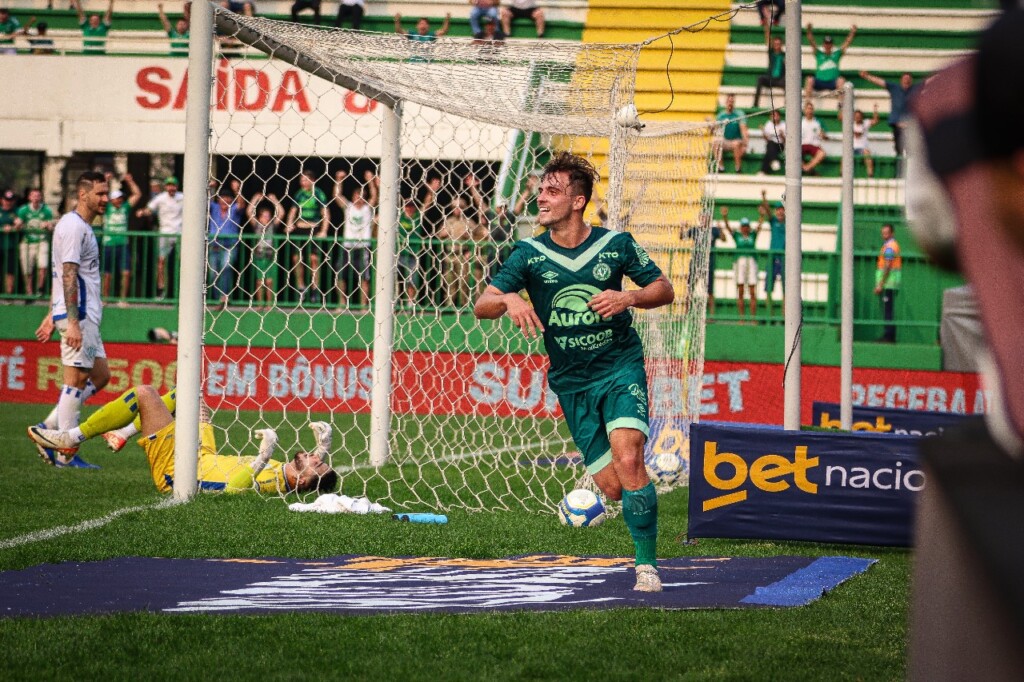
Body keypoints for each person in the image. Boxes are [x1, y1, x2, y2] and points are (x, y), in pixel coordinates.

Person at [474, 152, 674, 592]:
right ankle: (638, 496)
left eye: (552, 191)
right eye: (541, 190)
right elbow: (481, 305)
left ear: (578, 201)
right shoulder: (528, 253)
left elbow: (664, 289)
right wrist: (509, 299)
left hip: (619, 366)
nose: (541, 199)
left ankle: (646, 566)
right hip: (572, 382)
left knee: (629, 458)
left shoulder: (616, 244)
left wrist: (628, 299)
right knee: (615, 487)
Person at [28, 385, 339, 495]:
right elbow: (312, 472)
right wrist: (323, 446)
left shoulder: (274, 483)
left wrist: (261, 456)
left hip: (179, 472)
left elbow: (234, 490)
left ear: (301, 482)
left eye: (315, 464)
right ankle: (122, 433)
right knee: (189, 392)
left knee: (145, 394)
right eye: (318, 459)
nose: (313, 458)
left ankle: (71, 437)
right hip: (203, 454)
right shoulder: (289, 473)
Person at [28, 171, 112, 469]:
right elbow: (67, 273)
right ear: (83, 194)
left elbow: (62, 273)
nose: (106, 199)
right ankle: (64, 453)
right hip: (80, 316)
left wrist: (53, 314)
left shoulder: (79, 226)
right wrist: (71, 321)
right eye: (100, 194)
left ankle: (49, 429)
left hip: (82, 314)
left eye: (107, 193)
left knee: (101, 376)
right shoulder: (75, 227)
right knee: (74, 381)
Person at [333, 170, 378, 308]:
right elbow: (337, 196)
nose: (360, 198)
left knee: (365, 277)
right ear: (353, 197)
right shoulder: (349, 207)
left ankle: (364, 305)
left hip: (363, 247)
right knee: (340, 275)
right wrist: (338, 179)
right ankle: (341, 303)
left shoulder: (367, 209)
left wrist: (370, 181)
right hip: (348, 246)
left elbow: (374, 196)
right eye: (357, 195)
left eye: (362, 196)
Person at [137, 175, 184, 300]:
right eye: (169, 185)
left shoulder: (183, 197)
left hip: (180, 234)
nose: (171, 188)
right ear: (166, 187)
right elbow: (149, 209)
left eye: (173, 185)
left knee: (182, 263)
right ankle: (161, 290)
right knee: (161, 262)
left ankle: (180, 291)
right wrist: (142, 212)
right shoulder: (160, 198)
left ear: (176, 186)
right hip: (164, 233)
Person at [286, 169, 329, 304]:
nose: (303, 182)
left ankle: (314, 289)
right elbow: (293, 211)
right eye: (301, 180)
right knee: (296, 258)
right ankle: (301, 288)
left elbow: (325, 213)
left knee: (313, 259)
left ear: (312, 180)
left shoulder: (318, 193)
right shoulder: (299, 194)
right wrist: (289, 225)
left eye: (305, 180)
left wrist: (323, 231)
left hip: (313, 229)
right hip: (300, 228)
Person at [859, 70, 921, 160]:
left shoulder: (915, 89)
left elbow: (928, 82)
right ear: (901, 80)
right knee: (899, 149)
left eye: (908, 79)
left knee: (911, 150)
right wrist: (867, 76)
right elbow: (880, 82)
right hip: (897, 124)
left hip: (910, 125)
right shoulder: (894, 88)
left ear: (911, 80)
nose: (906, 81)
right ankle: (898, 171)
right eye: (905, 79)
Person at [438, 196, 486, 308]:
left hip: (462, 255)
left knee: (463, 282)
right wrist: (444, 233)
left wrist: (469, 240)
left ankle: (463, 306)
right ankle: (449, 306)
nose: (457, 210)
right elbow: (439, 234)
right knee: (449, 282)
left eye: (460, 207)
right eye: (455, 207)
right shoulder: (448, 221)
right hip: (450, 255)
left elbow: (479, 235)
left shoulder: (468, 222)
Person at [101, 173, 142, 305]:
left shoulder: (125, 208)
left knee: (126, 272)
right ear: (111, 200)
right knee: (107, 274)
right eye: (116, 198)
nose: (119, 200)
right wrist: (105, 180)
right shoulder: (106, 208)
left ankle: (123, 299)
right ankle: (105, 298)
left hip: (123, 244)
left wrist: (130, 181)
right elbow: (101, 195)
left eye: (120, 198)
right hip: (108, 243)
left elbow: (137, 194)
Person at [720, 206, 762, 322]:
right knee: (741, 290)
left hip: (751, 262)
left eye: (746, 226)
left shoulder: (753, 235)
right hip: (739, 262)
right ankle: (741, 318)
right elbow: (728, 229)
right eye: (743, 226)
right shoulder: (737, 235)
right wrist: (725, 216)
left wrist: (761, 216)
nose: (745, 228)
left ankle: (753, 318)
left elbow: (759, 227)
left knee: (752, 290)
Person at [208, 186, 244, 310]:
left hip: (229, 245)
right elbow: (207, 201)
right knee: (213, 272)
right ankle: (218, 298)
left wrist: (237, 190)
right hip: (215, 246)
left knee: (226, 267)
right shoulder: (214, 208)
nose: (225, 201)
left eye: (228, 198)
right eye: (222, 198)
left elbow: (241, 205)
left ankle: (224, 297)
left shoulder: (234, 209)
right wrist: (212, 189)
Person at [14, 188, 55, 298]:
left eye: (38, 195)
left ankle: (40, 289)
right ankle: (29, 291)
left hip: (42, 241)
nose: (36, 198)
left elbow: (51, 225)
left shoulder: (46, 210)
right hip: (27, 242)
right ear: (29, 197)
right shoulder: (23, 210)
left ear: (41, 197)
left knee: (43, 265)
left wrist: (48, 225)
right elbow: (18, 223)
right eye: (33, 195)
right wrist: (18, 224)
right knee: (27, 268)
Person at [245, 192, 283, 311]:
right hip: (259, 256)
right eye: (264, 216)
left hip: (270, 256)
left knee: (270, 281)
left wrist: (275, 200)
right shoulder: (256, 225)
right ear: (260, 217)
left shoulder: (272, 226)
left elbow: (281, 213)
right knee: (260, 281)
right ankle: (260, 304)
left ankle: (269, 304)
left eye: (268, 216)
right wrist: (255, 198)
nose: (266, 218)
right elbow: (249, 212)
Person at [803, 23, 856, 101]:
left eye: (829, 44)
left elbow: (846, 43)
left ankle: (840, 104)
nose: (828, 45)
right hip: (820, 81)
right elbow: (811, 42)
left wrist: (852, 33)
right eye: (826, 44)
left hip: (832, 82)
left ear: (832, 45)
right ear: (823, 45)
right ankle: (807, 102)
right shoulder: (818, 53)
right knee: (809, 79)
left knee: (841, 80)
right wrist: (809, 31)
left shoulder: (836, 54)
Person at [759, 190, 785, 319]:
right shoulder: (773, 222)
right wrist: (764, 198)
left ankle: (785, 317)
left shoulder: (789, 224)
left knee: (787, 290)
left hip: (785, 259)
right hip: (773, 258)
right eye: (778, 210)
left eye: (782, 209)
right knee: (768, 289)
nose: (780, 212)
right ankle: (770, 316)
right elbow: (767, 211)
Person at [874, 223, 900, 343]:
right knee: (889, 309)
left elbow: (888, 265)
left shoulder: (889, 247)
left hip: (889, 283)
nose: (884, 235)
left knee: (888, 310)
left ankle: (889, 336)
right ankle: (889, 335)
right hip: (890, 282)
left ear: (892, 233)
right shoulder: (889, 245)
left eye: (886, 233)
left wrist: (880, 284)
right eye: (883, 233)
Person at [839, 103, 880, 178]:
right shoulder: (850, 123)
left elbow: (875, 121)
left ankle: (870, 174)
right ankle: (842, 174)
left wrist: (875, 110)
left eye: (859, 116)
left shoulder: (865, 123)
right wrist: (842, 106)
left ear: (862, 117)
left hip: (863, 149)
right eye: (856, 116)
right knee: (845, 154)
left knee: (867, 154)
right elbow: (840, 117)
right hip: (852, 148)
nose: (857, 118)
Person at [396, 199, 423, 307]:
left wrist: (431, 192)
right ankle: (395, 301)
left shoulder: (417, 217)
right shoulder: (399, 217)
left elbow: (425, 205)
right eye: (407, 206)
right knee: (395, 279)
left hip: (413, 254)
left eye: (411, 206)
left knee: (412, 279)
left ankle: (410, 303)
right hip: (399, 253)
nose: (409, 209)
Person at [714, 94, 748, 173]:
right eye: (729, 101)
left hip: (736, 140)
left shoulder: (739, 114)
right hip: (726, 140)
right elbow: (715, 130)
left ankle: (738, 168)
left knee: (736, 144)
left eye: (732, 102)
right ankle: (721, 168)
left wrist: (745, 145)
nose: (730, 103)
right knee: (716, 143)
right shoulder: (721, 115)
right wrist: (710, 125)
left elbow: (744, 130)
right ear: (726, 102)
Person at [753, 34, 785, 108]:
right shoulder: (771, 53)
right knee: (760, 78)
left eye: (779, 44)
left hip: (780, 80)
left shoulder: (784, 55)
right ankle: (755, 104)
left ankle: (787, 104)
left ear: (781, 44)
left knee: (788, 81)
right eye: (775, 44)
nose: (777, 45)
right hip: (770, 79)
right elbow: (767, 38)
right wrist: (766, 25)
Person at [800, 101, 828, 174]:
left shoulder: (818, 122)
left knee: (822, 153)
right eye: (808, 108)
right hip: (802, 145)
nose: (809, 110)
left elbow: (825, 137)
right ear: (804, 110)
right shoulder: (800, 122)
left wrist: (823, 135)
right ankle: (807, 169)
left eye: (811, 109)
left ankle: (807, 168)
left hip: (814, 145)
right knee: (792, 152)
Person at [0, 190, 17, 296]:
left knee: (10, 271)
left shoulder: (16, 212)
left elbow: (21, 223)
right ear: (2, 200)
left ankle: (9, 295)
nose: (8, 202)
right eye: (6, 200)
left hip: (11, 246)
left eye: (10, 200)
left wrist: (14, 227)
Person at [760, 108, 785, 174]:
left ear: (779, 116)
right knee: (770, 146)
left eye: (776, 115)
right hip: (771, 145)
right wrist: (763, 132)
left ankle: (763, 171)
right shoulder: (768, 124)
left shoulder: (783, 125)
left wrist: (782, 135)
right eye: (773, 116)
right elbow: (767, 139)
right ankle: (773, 162)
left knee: (769, 149)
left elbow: (786, 141)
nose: (774, 117)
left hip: (780, 145)